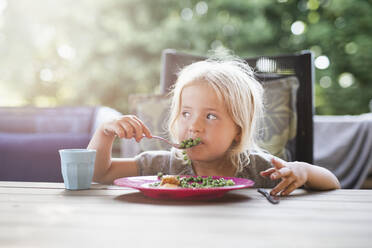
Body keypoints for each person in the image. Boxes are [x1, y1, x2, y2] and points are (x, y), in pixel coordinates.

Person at [87, 55, 340, 196]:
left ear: (238, 129)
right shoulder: (163, 165)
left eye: (210, 116)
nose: (194, 126)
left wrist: (302, 171)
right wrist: (105, 133)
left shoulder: (258, 167)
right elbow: (100, 173)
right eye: (186, 113)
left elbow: (332, 183)